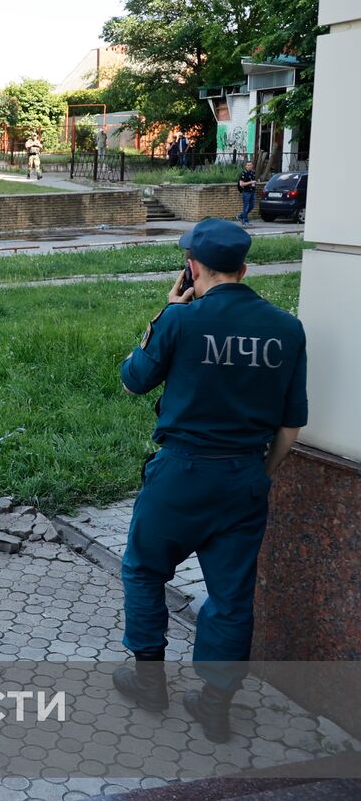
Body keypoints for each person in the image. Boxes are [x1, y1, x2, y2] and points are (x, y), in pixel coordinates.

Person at [113, 219, 306, 743]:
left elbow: (134, 381)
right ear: (245, 270)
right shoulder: (287, 329)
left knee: (145, 570)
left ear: (192, 267)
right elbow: (290, 426)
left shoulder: (182, 319)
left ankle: (150, 683)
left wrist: (168, 311)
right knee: (231, 596)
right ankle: (216, 704)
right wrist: (258, 476)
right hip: (244, 477)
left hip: (181, 473)